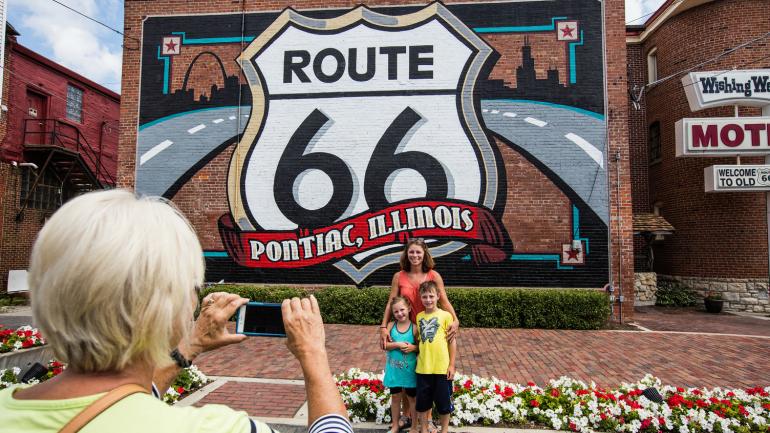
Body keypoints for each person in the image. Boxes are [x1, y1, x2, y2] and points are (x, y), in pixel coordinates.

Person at [0, 189, 352, 433]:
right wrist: (313, 354)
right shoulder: (220, 429)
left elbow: (117, 404)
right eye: (193, 290)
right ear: (167, 308)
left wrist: (190, 346)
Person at [379, 238, 460, 351]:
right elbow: (390, 303)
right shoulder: (398, 276)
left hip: (429, 327)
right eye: (411, 252)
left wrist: (456, 320)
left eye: (418, 252)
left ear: (424, 254)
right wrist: (383, 327)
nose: (415, 255)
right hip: (408, 329)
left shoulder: (434, 276)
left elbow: (444, 302)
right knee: (408, 360)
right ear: (406, 254)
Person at [415, 281, 456, 433]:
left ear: (438, 296)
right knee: (422, 404)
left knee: (444, 404)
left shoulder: (446, 316)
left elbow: (452, 342)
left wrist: (451, 365)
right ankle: (424, 429)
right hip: (423, 369)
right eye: (424, 297)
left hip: (442, 369)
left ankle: (444, 430)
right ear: (420, 298)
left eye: (431, 296)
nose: (428, 300)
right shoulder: (419, 317)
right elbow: (419, 340)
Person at [382, 296, 418, 433]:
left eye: (402, 310)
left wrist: (413, 348)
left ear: (408, 308)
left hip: (409, 372)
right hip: (394, 370)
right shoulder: (391, 326)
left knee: (412, 398)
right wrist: (397, 344)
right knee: (395, 397)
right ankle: (395, 425)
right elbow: (384, 345)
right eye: (396, 311)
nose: (400, 313)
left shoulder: (414, 328)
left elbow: (420, 347)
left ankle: (414, 427)